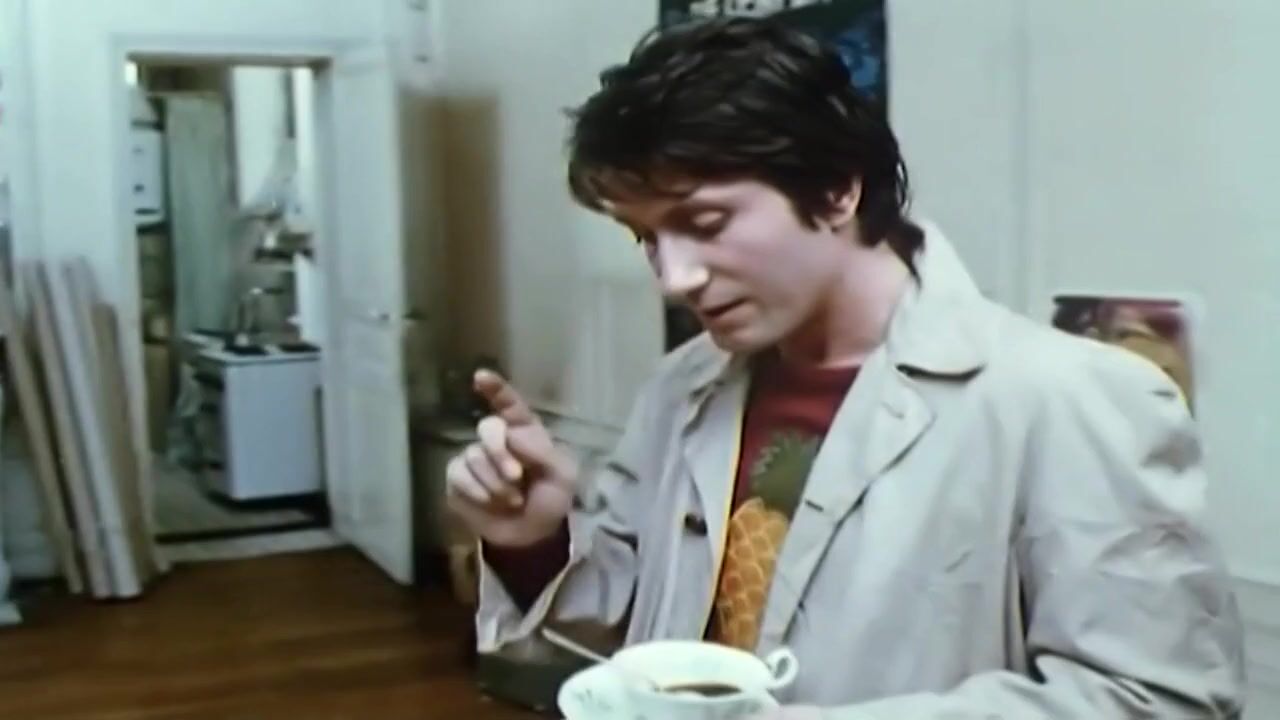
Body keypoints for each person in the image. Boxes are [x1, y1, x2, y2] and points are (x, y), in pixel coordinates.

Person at [445, 17, 1246, 719]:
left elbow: (1156, 699)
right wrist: (535, 540)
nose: (675, 277)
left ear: (835, 191)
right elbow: (639, 630)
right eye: (646, 238)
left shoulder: (1070, 399)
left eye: (706, 222)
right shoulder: (683, 384)